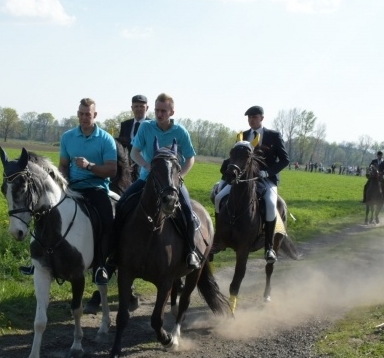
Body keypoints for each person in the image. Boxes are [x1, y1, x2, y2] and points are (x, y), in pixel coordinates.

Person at [114, 92, 201, 268]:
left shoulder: (180, 132)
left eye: (163, 111)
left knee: (187, 212)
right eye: (157, 110)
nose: (159, 114)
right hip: (146, 180)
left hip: (172, 184)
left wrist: (180, 176)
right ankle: (114, 253)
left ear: (172, 112)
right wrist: (147, 166)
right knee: (122, 205)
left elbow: (190, 157)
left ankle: (190, 251)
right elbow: (134, 152)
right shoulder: (145, 127)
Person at [214, 105, 290, 263]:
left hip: (266, 179)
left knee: (270, 203)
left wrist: (268, 172)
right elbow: (235, 157)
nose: (251, 120)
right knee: (219, 197)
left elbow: (285, 160)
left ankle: (269, 247)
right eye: (249, 118)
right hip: (242, 179)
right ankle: (218, 238)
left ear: (262, 118)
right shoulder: (242, 135)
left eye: (254, 117)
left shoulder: (273, 136)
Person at [58, 98, 118, 285]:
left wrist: (89, 166)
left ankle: (100, 266)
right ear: (78, 114)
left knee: (107, 221)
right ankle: (41, 261)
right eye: (81, 114)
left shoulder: (106, 139)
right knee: (46, 212)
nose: (84, 118)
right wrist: (62, 183)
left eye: (88, 114)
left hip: (95, 188)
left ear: (95, 115)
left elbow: (112, 170)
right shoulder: (67, 137)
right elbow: (63, 165)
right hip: (72, 187)